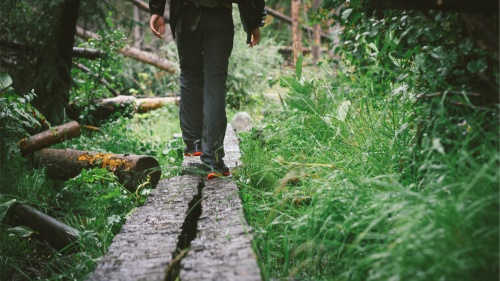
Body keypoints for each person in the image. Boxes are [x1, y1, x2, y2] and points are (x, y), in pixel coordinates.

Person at [149, 0, 266, 179]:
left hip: (186, 14)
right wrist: (254, 21)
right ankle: (214, 158)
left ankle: (194, 144)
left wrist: (156, 10)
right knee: (215, 83)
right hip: (219, 15)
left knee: (189, 76)